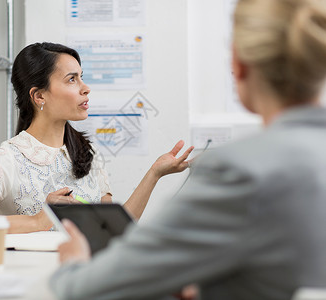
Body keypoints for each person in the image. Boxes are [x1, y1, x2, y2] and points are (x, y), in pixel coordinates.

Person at [50, 0, 326, 299]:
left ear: (238, 64)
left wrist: (73, 262)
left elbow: (87, 289)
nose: (84, 88)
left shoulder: (238, 168)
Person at [0, 42, 193, 239]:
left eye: (81, 77)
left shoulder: (86, 154)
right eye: (72, 79)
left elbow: (115, 228)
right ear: (39, 96)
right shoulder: (7, 160)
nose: (85, 88)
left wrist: (154, 174)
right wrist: (39, 221)